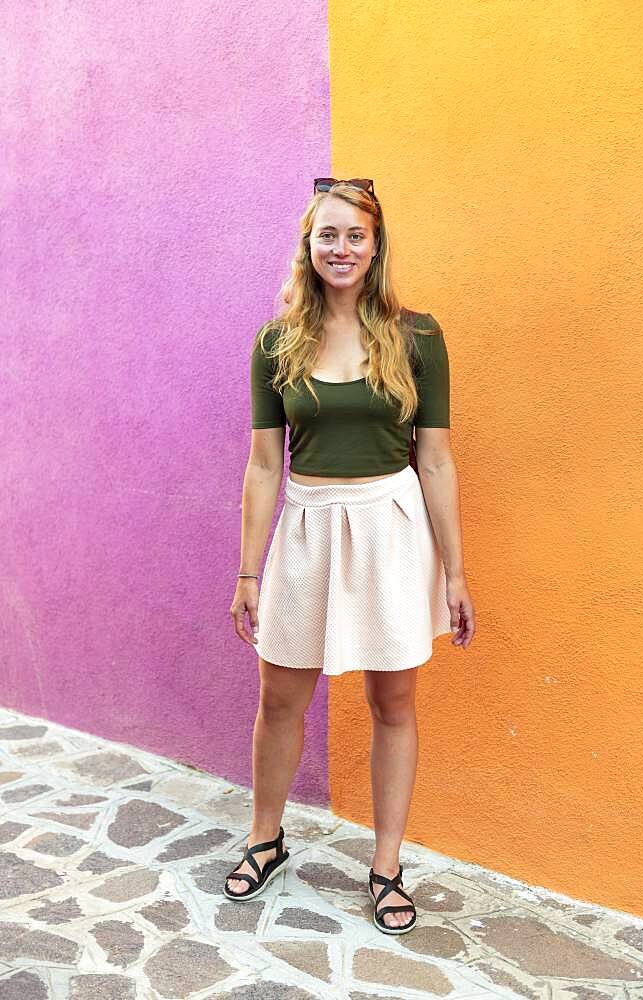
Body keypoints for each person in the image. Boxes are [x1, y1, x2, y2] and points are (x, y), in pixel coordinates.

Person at [227, 177, 476, 935]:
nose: (341, 249)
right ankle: (265, 838)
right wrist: (247, 571)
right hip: (306, 527)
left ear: (376, 246)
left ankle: (387, 864)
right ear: (308, 246)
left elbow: (435, 460)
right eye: (327, 235)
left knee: (391, 704)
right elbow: (265, 465)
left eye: (355, 236)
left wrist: (456, 571)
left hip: (392, 529)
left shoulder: (419, 337)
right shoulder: (277, 342)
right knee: (280, 698)